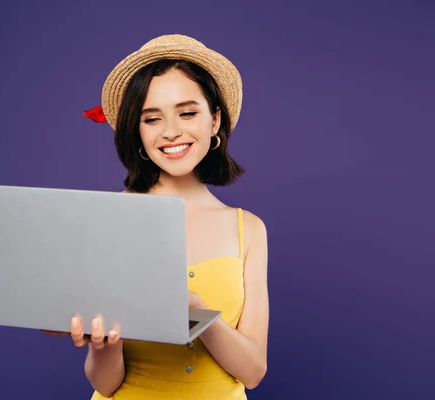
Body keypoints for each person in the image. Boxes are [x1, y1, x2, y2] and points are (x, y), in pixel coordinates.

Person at [43, 34, 269, 399]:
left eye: (187, 112)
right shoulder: (109, 220)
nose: (170, 131)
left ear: (214, 121)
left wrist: (198, 313)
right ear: (137, 132)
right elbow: (105, 383)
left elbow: (253, 371)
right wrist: (104, 345)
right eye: (152, 118)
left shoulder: (249, 230)